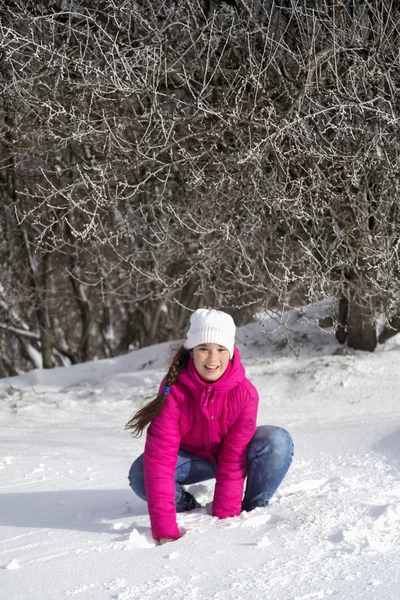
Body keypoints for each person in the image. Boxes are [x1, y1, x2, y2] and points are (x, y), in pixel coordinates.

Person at [126, 309, 293, 545]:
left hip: (231, 456)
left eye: (221, 349)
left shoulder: (245, 394)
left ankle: (252, 509)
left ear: (232, 353)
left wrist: (227, 516)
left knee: (277, 439)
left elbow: (234, 458)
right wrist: (165, 530)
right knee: (141, 473)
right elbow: (161, 458)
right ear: (191, 352)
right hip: (190, 459)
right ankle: (186, 506)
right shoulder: (172, 391)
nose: (213, 359)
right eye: (204, 348)